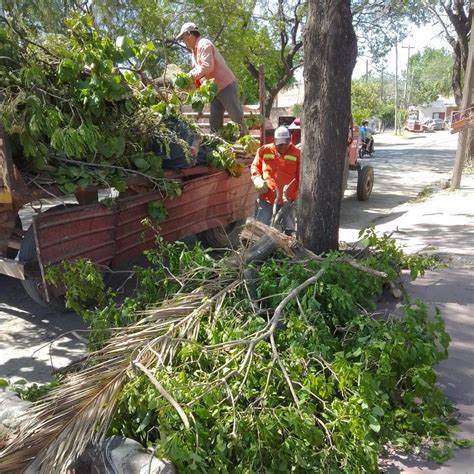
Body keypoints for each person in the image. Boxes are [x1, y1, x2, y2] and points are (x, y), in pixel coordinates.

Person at [176, 22, 248, 136]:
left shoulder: (204, 44)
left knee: (237, 118)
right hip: (214, 91)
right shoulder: (194, 52)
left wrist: (189, 76)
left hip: (226, 86)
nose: (183, 42)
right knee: (214, 122)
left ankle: (247, 147)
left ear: (189, 34)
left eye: (183, 38)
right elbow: (199, 73)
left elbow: (207, 66)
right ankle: (216, 147)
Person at [251, 126, 300, 235]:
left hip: (288, 201)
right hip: (266, 199)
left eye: (285, 144)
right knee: (260, 230)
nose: (283, 147)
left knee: (289, 232)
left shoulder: (297, 154)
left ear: (289, 141)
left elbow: (301, 177)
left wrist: (297, 195)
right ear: (274, 141)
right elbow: (255, 167)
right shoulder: (264, 150)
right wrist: (257, 178)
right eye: (280, 144)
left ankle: (287, 251)